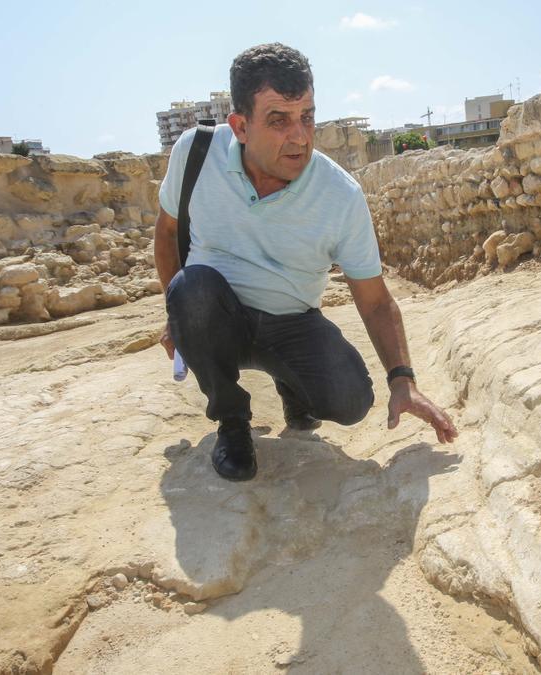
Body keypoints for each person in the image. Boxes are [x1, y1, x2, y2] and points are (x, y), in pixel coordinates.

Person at [155, 43, 457, 481]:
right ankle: (232, 423)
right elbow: (166, 233)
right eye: (279, 121)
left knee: (351, 401)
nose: (300, 137)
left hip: (290, 323)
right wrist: (175, 318)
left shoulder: (340, 196)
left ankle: (292, 386)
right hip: (217, 315)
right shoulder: (195, 152)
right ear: (240, 126)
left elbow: (374, 301)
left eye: (308, 117)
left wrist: (402, 380)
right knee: (192, 291)